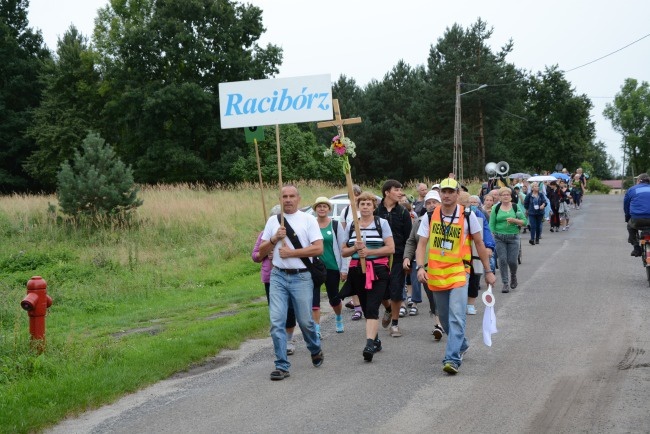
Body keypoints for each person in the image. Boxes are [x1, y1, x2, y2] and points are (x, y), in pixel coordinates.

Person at [415, 178, 496, 375]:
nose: (447, 195)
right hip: (435, 272)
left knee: (457, 315)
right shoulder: (429, 216)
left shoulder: (469, 216)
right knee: (443, 317)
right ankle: (462, 343)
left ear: (457, 194)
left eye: (451, 191)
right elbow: (421, 244)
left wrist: (488, 271)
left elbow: (479, 244)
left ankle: (452, 359)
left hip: (460, 272)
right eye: (444, 191)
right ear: (440, 193)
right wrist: (419, 267)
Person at [258, 185, 324, 381]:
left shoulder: (308, 220)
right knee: (276, 321)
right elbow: (260, 252)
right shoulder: (273, 221)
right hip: (278, 276)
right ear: (280, 199)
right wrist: (274, 238)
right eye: (284, 196)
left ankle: (314, 347)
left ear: (298, 198)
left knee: (305, 321)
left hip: (302, 276)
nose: (287, 199)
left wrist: (292, 253)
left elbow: (318, 249)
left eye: (291, 196)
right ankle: (281, 365)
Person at [341, 192, 395, 362]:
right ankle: (376, 340)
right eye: (362, 204)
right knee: (365, 307)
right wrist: (355, 249)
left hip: (378, 270)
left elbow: (391, 248)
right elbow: (343, 251)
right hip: (357, 271)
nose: (365, 207)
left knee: (372, 307)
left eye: (368, 204)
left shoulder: (382, 223)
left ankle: (369, 344)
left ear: (374, 207)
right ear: (358, 207)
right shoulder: (351, 225)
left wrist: (369, 251)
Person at [252, 204, 297, 355]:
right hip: (271, 278)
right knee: (276, 311)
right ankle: (280, 341)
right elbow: (255, 256)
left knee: (290, 309)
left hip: (291, 275)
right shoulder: (264, 234)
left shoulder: (294, 232)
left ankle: (289, 339)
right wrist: (267, 252)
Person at [403, 190, 444, 339]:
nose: (432, 205)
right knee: (433, 297)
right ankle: (438, 324)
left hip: (446, 266)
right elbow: (411, 241)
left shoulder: (450, 220)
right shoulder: (420, 222)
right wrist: (407, 257)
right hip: (426, 266)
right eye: (429, 203)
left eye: (435, 202)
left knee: (446, 298)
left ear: (440, 203)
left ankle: (445, 322)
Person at [375, 179, 412, 338]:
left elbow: (410, 238)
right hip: (378, 257)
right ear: (387, 192)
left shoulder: (403, 212)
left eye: (400, 190)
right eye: (397, 190)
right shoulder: (376, 212)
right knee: (381, 292)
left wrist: (408, 258)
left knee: (396, 291)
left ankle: (395, 324)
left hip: (398, 257)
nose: (400, 193)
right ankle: (388, 308)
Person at [312, 197, 348, 335]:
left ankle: (338, 317)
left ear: (329, 209)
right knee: (314, 299)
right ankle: (316, 329)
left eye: (324, 206)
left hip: (332, 266)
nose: (321, 209)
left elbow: (342, 247)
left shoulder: (335, 225)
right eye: (319, 206)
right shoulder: (311, 224)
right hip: (315, 268)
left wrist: (344, 269)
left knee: (334, 297)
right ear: (315, 209)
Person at [459, 192, 495, 315]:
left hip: (475, 250)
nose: (465, 206)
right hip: (458, 254)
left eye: (467, 203)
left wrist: (489, 246)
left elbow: (485, 229)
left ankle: (470, 303)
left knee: (475, 277)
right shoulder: (451, 214)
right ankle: (460, 303)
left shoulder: (477, 213)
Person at [489, 186, 527, 293]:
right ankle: (505, 283)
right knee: (502, 260)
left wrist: (515, 220)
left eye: (507, 195)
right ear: (500, 197)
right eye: (503, 195)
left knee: (512, 261)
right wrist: (491, 236)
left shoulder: (515, 207)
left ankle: (513, 275)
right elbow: (491, 224)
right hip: (499, 237)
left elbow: (525, 222)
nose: (506, 196)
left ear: (510, 196)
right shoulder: (495, 208)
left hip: (513, 237)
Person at [339, 184, 363, 321]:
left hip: (366, 248)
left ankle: (368, 303)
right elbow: (344, 234)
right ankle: (357, 308)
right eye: (351, 196)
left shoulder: (365, 209)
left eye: (356, 195)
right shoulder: (346, 211)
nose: (353, 198)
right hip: (351, 249)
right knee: (353, 278)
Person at [624, 173, 650, 257]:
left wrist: (627, 217)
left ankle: (636, 248)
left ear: (638, 181)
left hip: (637, 219)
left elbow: (626, 205)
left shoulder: (632, 189)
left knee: (630, 227)